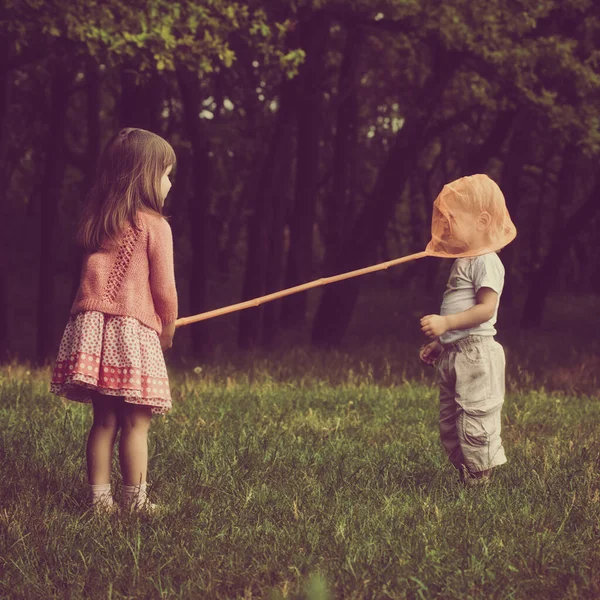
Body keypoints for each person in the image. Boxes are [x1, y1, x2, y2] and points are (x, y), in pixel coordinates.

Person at [50, 127, 178, 512]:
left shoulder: (99, 222)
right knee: (137, 422)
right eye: (166, 173)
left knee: (104, 420)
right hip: (131, 335)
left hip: (93, 333)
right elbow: (165, 291)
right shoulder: (155, 226)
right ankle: (135, 502)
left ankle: (99, 500)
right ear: (146, 176)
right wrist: (167, 329)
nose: (170, 183)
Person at [418, 174, 510, 486]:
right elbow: (459, 306)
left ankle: (479, 480)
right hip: (456, 352)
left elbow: (486, 309)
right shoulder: (464, 260)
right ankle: (465, 473)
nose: (444, 227)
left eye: (451, 219)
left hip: (476, 355)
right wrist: (443, 342)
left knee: (475, 416)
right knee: (451, 421)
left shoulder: (486, 261)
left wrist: (446, 324)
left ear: (482, 221)